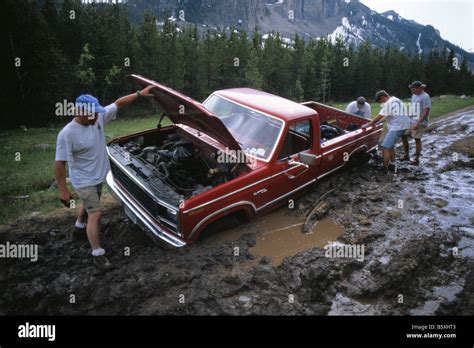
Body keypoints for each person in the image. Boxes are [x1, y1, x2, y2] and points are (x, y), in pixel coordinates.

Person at [54, 86, 156, 271]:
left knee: (89, 205)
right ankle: (98, 255)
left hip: (98, 175)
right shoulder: (67, 134)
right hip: (83, 180)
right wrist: (63, 190)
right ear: (80, 112)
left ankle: (78, 228)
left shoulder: (97, 117)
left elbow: (119, 103)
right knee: (96, 213)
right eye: (92, 114)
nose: (95, 117)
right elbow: (60, 163)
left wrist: (140, 94)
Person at [363, 90, 411, 172]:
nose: (381, 103)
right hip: (402, 126)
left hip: (397, 127)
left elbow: (379, 116)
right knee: (390, 146)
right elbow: (387, 115)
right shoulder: (396, 100)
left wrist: (369, 124)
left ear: (382, 97)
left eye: (380, 101)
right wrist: (379, 122)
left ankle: (385, 168)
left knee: (385, 147)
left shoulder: (389, 103)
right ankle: (392, 164)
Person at [401, 81, 432, 165]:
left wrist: (418, 122)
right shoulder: (414, 95)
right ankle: (406, 155)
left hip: (419, 121)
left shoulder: (425, 97)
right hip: (410, 120)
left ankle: (416, 159)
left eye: (413, 89)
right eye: (411, 89)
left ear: (419, 88)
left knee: (417, 139)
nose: (412, 91)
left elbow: (426, 111)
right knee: (403, 135)